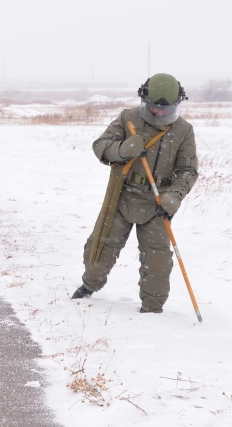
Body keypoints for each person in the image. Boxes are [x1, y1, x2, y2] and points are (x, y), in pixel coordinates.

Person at [73, 73, 197, 313]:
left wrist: (174, 197)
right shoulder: (127, 118)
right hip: (122, 197)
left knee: (157, 261)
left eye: (166, 110)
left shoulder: (183, 131)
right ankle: (90, 285)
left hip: (157, 203)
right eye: (154, 109)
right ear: (144, 100)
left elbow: (188, 171)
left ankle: (152, 308)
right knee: (101, 249)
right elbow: (100, 146)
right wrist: (121, 150)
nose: (160, 114)